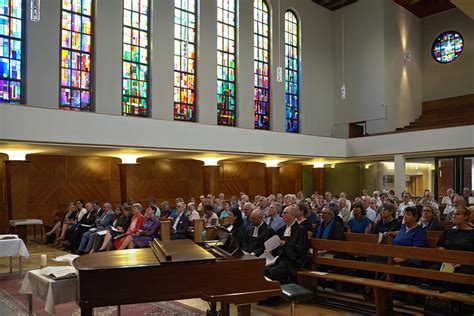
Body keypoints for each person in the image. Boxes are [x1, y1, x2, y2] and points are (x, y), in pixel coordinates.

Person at [265, 205, 309, 284]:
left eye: (285, 213)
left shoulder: (301, 230)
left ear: (292, 216)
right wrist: (271, 250)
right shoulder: (281, 230)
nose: (282, 215)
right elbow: (276, 246)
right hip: (280, 260)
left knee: (273, 272)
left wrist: (286, 244)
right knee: (264, 269)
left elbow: (301, 250)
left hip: (292, 262)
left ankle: (277, 294)